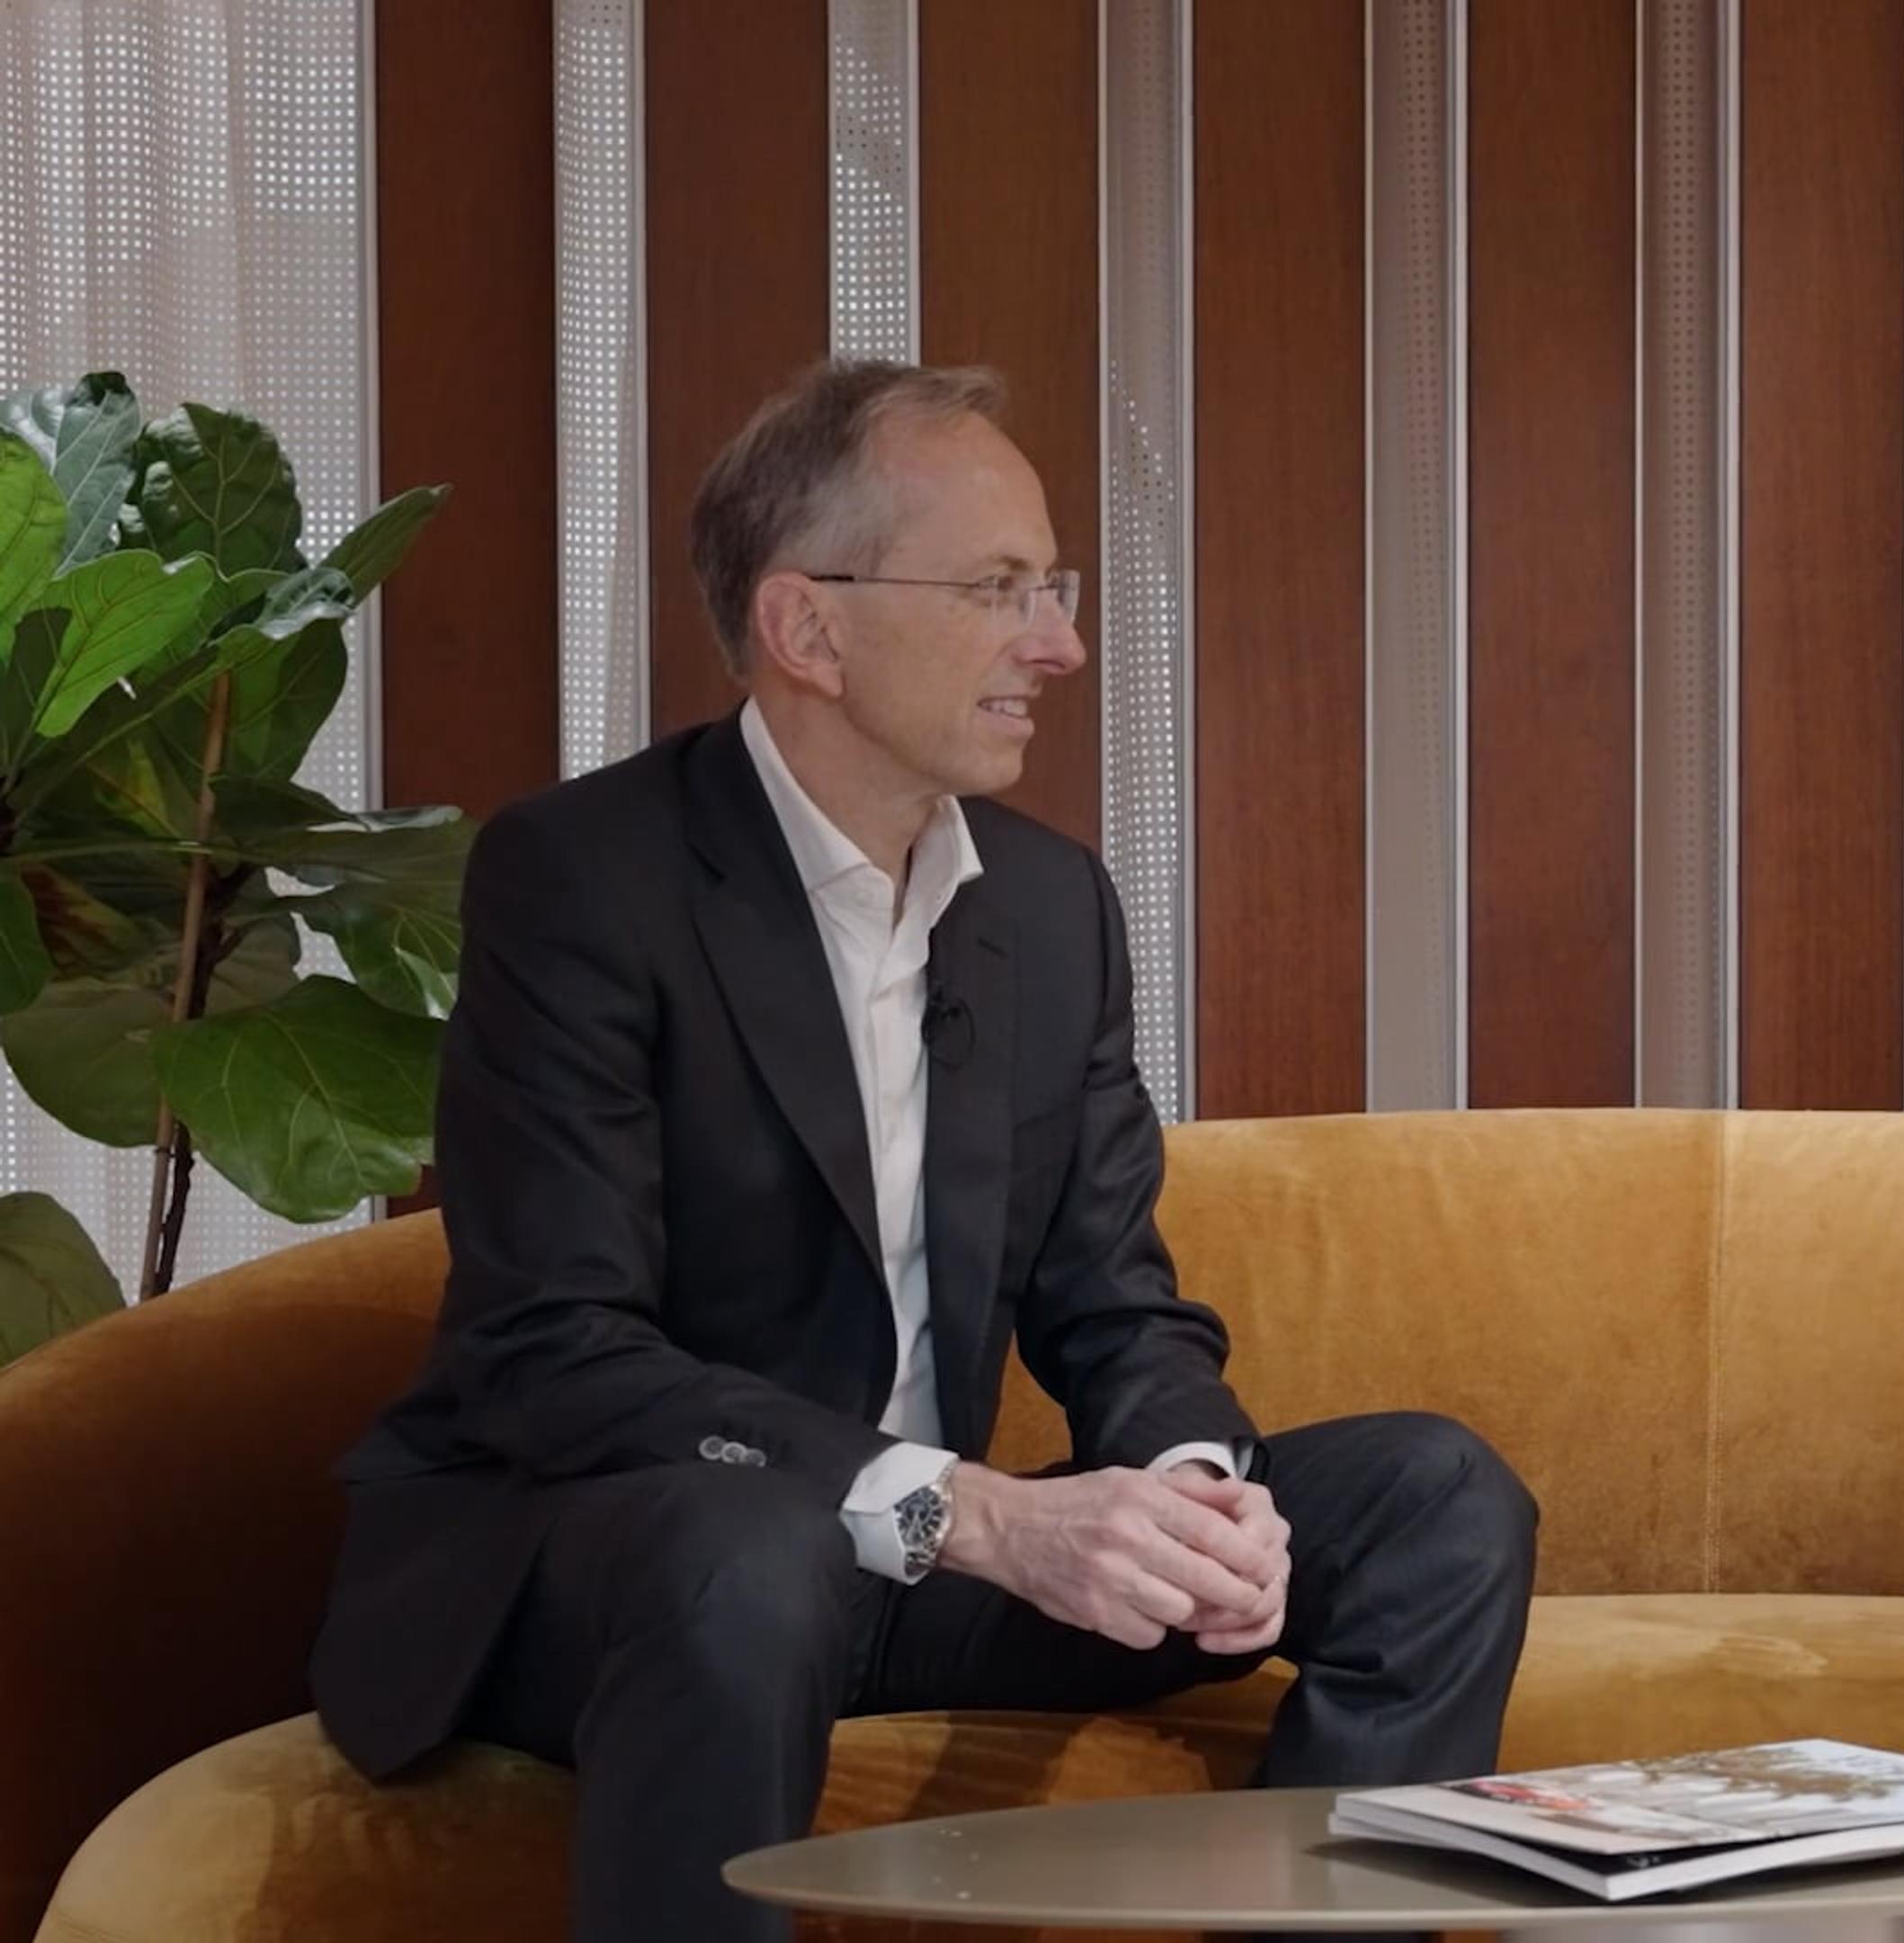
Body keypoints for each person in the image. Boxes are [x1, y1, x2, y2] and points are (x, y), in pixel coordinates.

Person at [310, 360, 1538, 1943]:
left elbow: (1113, 1301)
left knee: (1435, 1495)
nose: (1060, 644)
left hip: (931, 1580)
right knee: (742, 1549)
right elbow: (559, 1353)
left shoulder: (1047, 907)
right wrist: (976, 1512)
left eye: (1055, 587)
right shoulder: (582, 880)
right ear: (807, 626)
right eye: (999, 591)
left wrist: (1190, 1488)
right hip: (634, 1564)